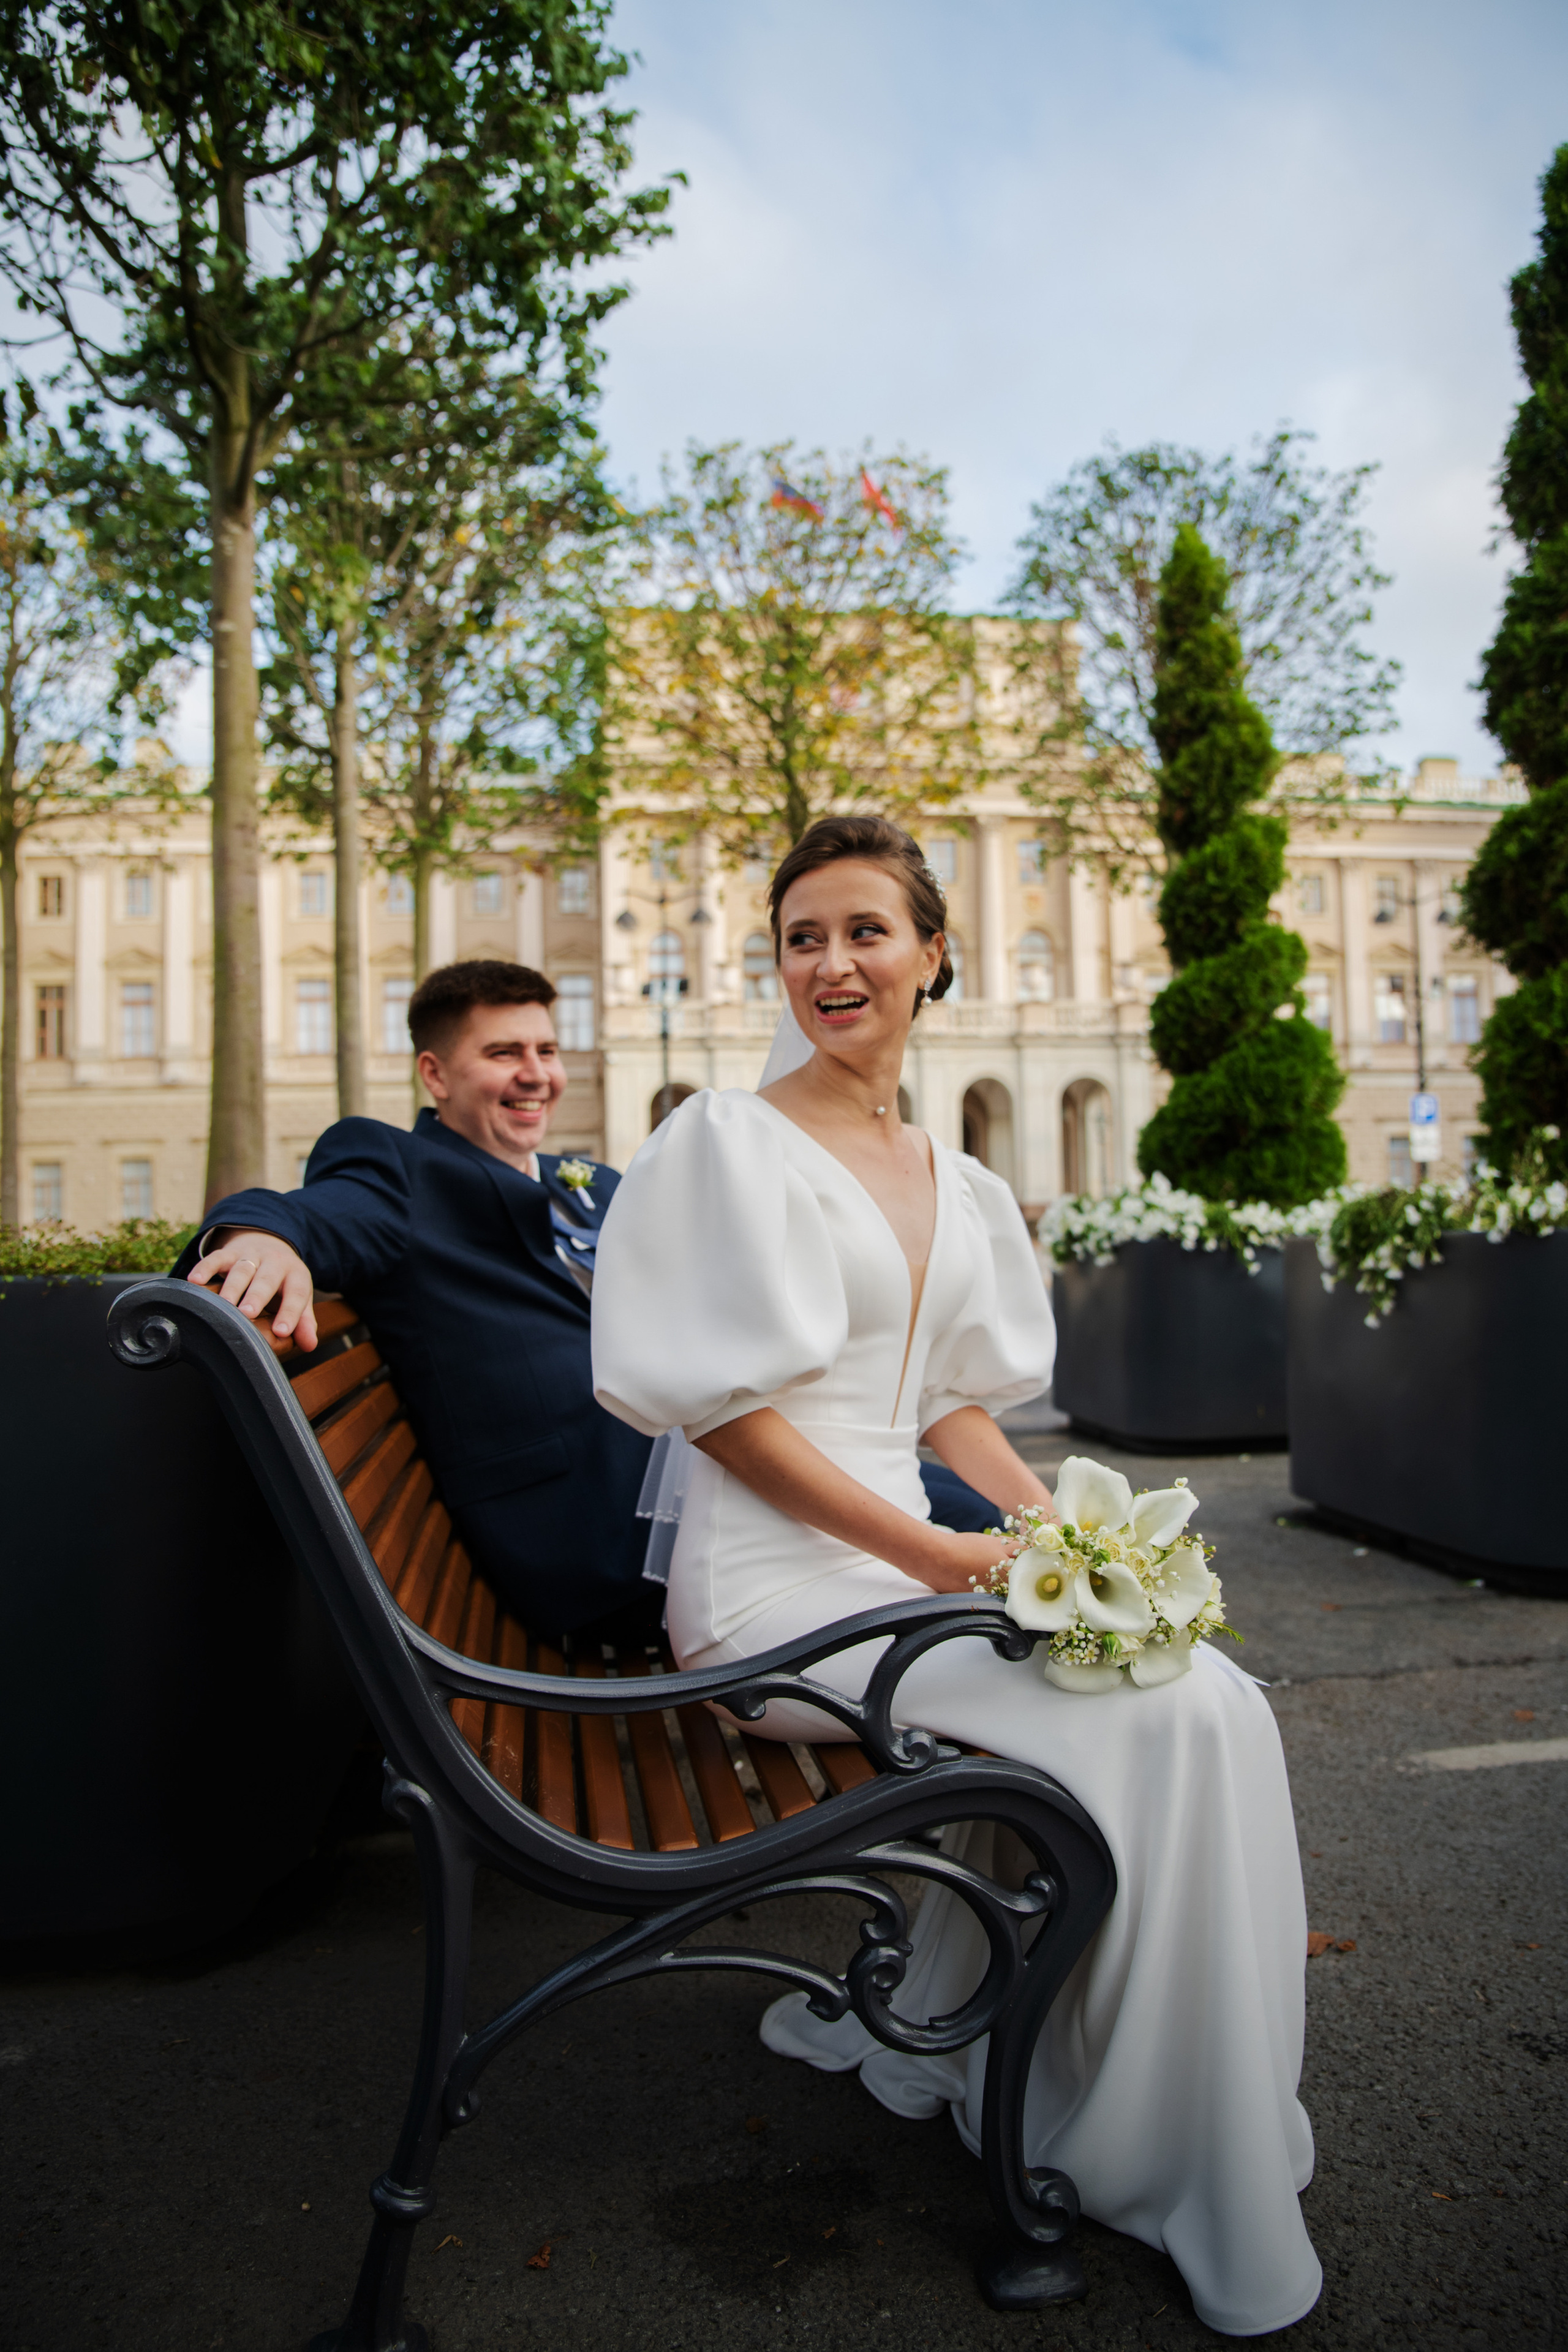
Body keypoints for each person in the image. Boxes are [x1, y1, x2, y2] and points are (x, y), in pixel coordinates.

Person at [589, 815, 1322, 2336]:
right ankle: (1121, 2127)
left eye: (864, 930)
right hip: (774, 1593)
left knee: (1215, 1696)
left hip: (888, 1569)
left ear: (934, 952)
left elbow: (942, 1408)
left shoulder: (954, 1173)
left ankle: (1130, 2092)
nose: (830, 963)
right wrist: (935, 1553)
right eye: (801, 936)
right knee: (1156, 1718)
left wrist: (1062, 1527)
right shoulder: (725, 1140)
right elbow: (725, 1415)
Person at [178, 960, 656, 1640]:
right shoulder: (401, 1172)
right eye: (503, 1053)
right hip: (589, 1544)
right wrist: (261, 1236)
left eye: (545, 1051)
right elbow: (315, 1212)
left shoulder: (589, 1184)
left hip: (673, 1491)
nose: (536, 1074)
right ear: (435, 1075)